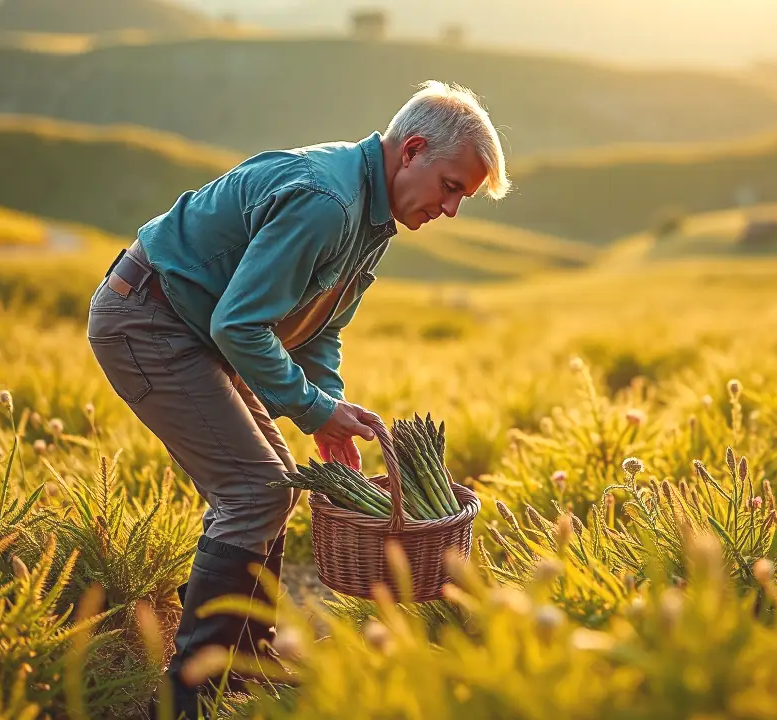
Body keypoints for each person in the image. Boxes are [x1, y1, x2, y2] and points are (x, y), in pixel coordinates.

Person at [85, 80, 510, 718]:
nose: (451, 209)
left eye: (463, 198)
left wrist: (327, 409)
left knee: (275, 482)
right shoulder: (328, 202)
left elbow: (323, 328)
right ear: (413, 150)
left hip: (192, 329)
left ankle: (245, 669)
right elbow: (240, 325)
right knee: (254, 491)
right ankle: (184, 699)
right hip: (148, 320)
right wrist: (311, 407)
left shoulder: (371, 213)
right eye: (452, 186)